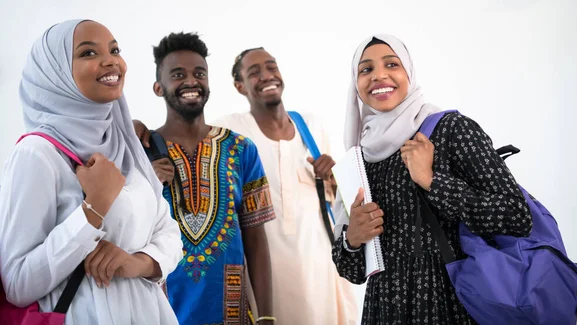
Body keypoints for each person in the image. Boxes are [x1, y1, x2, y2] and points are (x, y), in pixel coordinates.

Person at [331, 34, 534, 324]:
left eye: (392, 64)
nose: (378, 75)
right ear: (355, 83)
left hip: (451, 303)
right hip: (386, 311)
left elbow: (516, 215)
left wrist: (432, 181)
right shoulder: (358, 158)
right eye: (366, 69)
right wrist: (352, 239)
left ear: (409, 73)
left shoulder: (451, 130)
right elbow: (351, 271)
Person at [0, 19, 183, 324]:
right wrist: (92, 211)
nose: (110, 60)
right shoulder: (38, 154)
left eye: (114, 50)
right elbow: (17, 283)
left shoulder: (127, 145)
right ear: (55, 73)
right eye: (87, 53)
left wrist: (137, 263)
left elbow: (169, 233)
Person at [134, 32, 276, 325]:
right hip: (161, 312)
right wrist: (146, 181)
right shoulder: (139, 150)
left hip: (231, 314)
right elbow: (124, 231)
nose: (191, 81)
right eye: (178, 74)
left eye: (199, 73)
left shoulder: (241, 149)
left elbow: (256, 239)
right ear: (158, 87)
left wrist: (266, 316)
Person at [214, 47, 358, 324]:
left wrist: (333, 177)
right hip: (263, 267)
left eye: (271, 67)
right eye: (254, 72)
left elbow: (345, 202)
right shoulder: (231, 130)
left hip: (319, 268)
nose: (267, 76)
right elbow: (188, 138)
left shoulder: (312, 127)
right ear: (239, 86)